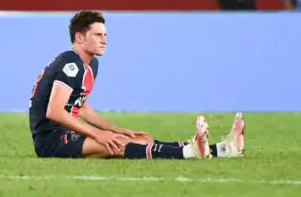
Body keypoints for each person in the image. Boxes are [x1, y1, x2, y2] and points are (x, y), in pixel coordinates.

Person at [29, 10, 245, 159]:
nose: (104, 40)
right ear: (79, 37)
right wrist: (98, 134)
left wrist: (113, 129)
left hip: (68, 133)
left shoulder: (91, 64)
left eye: (105, 35)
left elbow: (80, 107)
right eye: (97, 35)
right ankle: (190, 152)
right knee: (118, 144)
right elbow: (54, 111)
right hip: (51, 140)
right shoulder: (70, 63)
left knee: (141, 138)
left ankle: (224, 149)